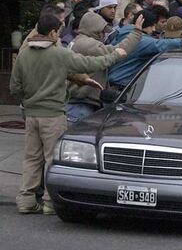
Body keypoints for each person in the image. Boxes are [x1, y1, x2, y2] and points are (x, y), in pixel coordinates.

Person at [10, 14, 131, 215]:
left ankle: (26, 199)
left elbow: (14, 87)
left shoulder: (23, 55)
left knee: (31, 158)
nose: (60, 35)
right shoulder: (59, 54)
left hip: (31, 114)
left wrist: (28, 100)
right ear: (52, 32)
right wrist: (115, 55)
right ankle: (50, 202)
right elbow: (90, 64)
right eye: (59, 31)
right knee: (51, 159)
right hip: (53, 114)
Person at [66, 12, 143, 124]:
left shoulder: (76, 41)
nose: (103, 35)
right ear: (94, 29)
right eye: (101, 31)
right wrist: (136, 33)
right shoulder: (88, 45)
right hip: (82, 106)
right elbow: (118, 51)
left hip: (75, 104)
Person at [108, 9, 182, 89]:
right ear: (143, 24)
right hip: (121, 87)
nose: (154, 29)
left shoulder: (122, 33)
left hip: (112, 84)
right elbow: (159, 44)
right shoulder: (141, 41)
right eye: (152, 26)